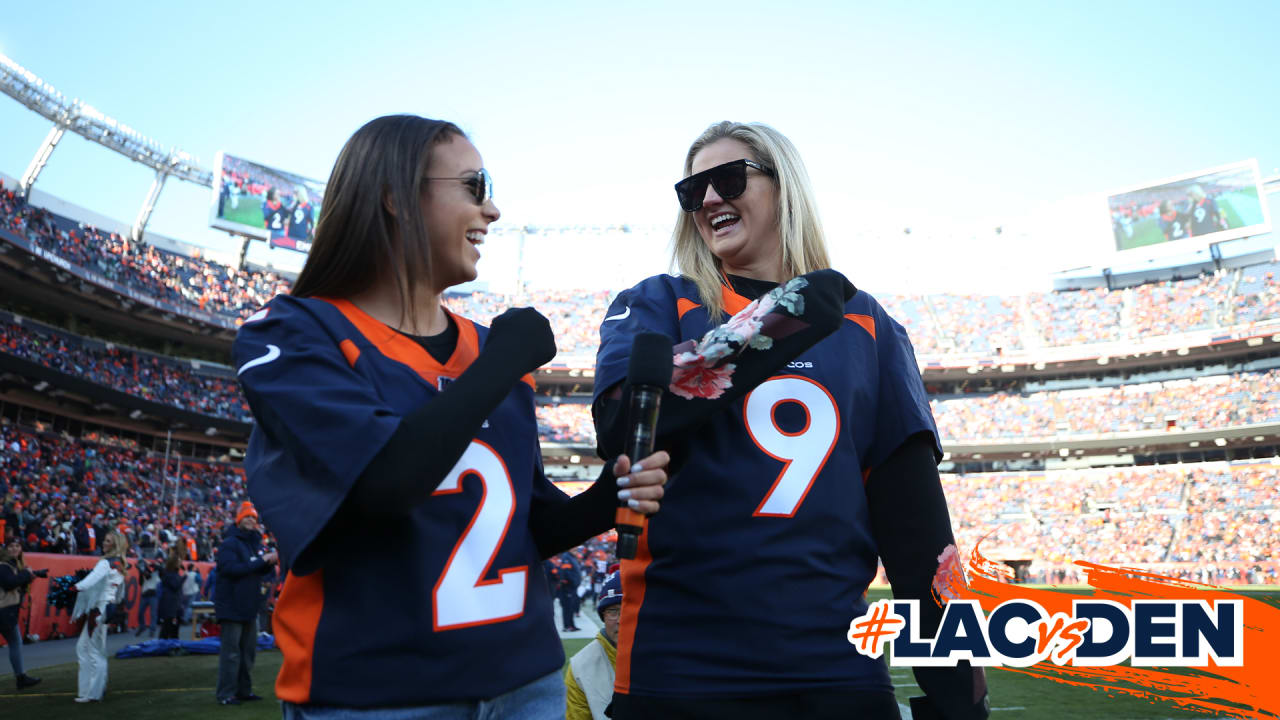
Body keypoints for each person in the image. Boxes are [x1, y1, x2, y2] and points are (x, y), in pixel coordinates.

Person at [232, 114, 668, 718]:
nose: (491, 211)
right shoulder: (293, 333)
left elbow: (527, 528)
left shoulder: (490, 349)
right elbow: (388, 481)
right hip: (379, 691)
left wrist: (611, 493)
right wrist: (502, 362)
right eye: (474, 185)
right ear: (394, 196)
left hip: (527, 678)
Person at [592, 121, 989, 720]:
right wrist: (770, 326)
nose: (708, 200)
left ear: (786, 188)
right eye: (690, 190)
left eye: (728, 179)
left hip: (837, 666)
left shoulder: (866, 324)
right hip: (681, 663)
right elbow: (623, 429)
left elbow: (916, 526)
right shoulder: (660, 301)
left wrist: (961, 694)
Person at [214, 501, 278, 705]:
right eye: (247, 517)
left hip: (249, 604)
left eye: (254, 517)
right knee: (231, 653)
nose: (251, 520)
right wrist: (262, 561)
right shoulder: (229, 543)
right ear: (239, 519)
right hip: (232, 604)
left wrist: (269, 564)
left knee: (248, 652)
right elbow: (230, 569)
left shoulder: (255, 544)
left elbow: (255, 570)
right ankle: (226, 694)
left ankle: (243, 691)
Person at [72, 529, 128, 703]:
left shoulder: (106, 563)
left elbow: (91, 580)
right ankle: (88, 691)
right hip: (105, 610)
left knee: (94, 652)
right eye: (105, 540)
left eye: (108, 541)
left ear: (116, 545)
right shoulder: (119, 564)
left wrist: (73, 587)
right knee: (84, 648)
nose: (104, 543)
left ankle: (94, 693)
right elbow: (120, 594)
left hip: (98, 612)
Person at [565, 572, 623, 720]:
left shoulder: (669, 654)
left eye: (628, 609)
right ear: (603, 616)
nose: (620, 620)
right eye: (613, 611)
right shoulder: (581, 667)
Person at [1, 537, 46, 689]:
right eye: (11, 546)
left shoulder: (11, 564)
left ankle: (21, 677)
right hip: (4, 611)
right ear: (5, 548)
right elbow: (9, 583)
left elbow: (15, 582)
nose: (14, 549)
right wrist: (26, 575)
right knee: (15, 642)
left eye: (17, 546)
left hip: (6, 610)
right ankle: (21, 677)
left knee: (15, 642)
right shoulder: (4, 565)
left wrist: (31, 575)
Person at [157, 550, 184, 639]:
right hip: (171, 605)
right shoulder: (170, 575)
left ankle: (169, 646)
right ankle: (166, 646)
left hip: (173, 604)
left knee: (170, 629)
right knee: (168, 628)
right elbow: (175, 586)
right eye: (179, 562)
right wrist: (183, 578)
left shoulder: (169, 574)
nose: (180, 564)